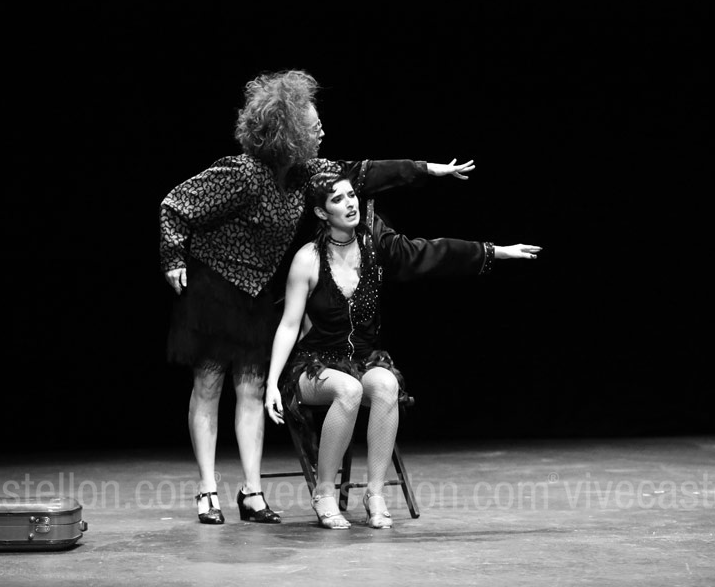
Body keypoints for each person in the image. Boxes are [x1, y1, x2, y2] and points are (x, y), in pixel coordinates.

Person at [159, 69, 476, 525]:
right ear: (288, 134)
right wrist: (173, 257)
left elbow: (363, 173)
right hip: (214, 286)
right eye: (312, 125)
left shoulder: (307, 174)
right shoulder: (240, 173)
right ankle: (208, 489)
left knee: (250, 389)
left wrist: (426, 169)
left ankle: (251, 492)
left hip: (256, 289)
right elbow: (175, 204)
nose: (321, 130)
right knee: (209, 385)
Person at [264, 171, 541, 529]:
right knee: (348, 389)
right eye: (338, 199)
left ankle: (374, 493)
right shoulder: (308, 259)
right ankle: (324, 492)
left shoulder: (374, 247)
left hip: (361, 362)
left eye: (352, 195)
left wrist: (495, 251)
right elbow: (289, 325)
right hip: (313, 368)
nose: (350, 204)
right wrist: (272, 384)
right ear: (321, 212)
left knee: (386, 384)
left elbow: (432, 252)